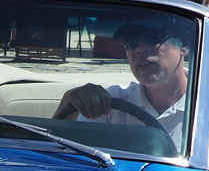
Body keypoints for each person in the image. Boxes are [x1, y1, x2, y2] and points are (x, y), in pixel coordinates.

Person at [50, 20, 201, 153]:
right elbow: (60, 155)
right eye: (130, 43)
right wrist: (69, 103)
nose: (139, 49)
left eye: (153, 37)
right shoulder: (108, 104)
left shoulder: (208, 111)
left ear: (184, 45)